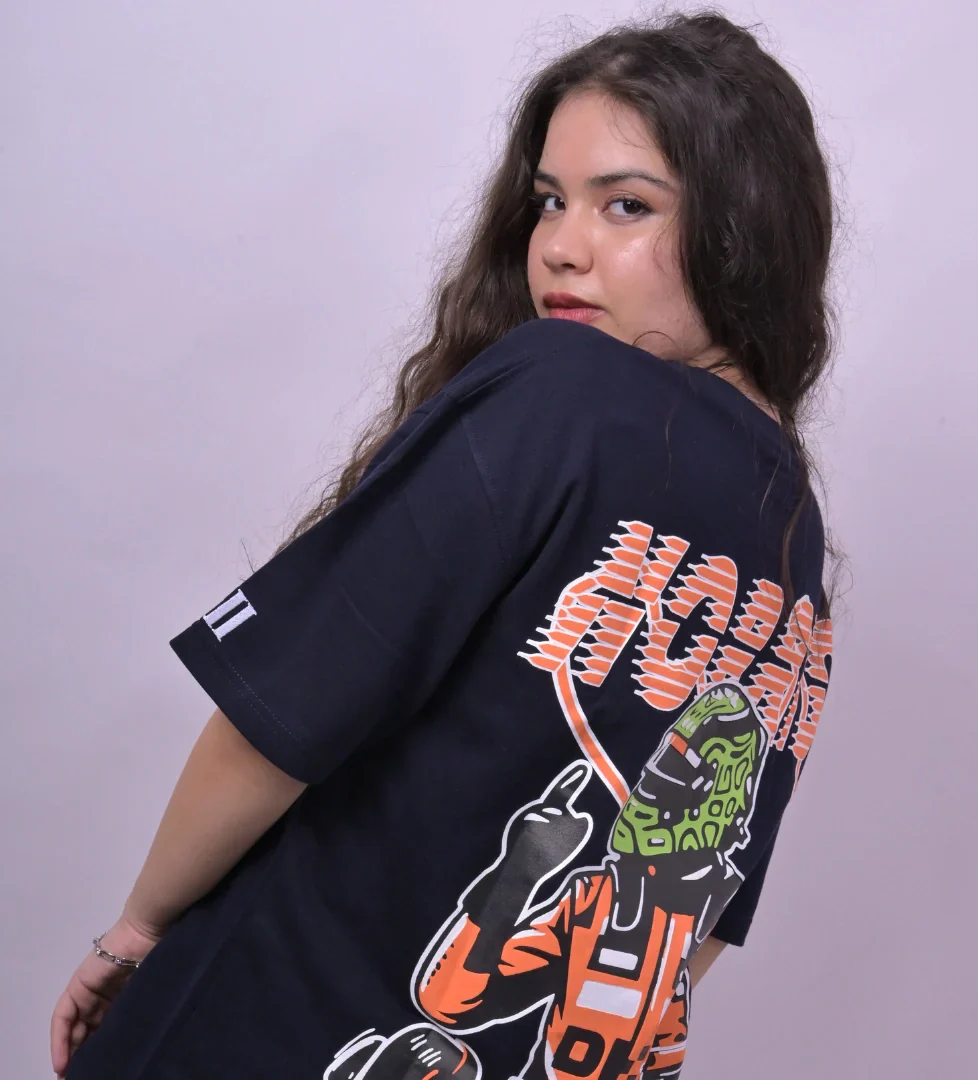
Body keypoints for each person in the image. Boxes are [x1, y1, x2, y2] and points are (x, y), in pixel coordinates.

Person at [50, 10, 840, 1080]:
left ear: (745, 229)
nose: (560, 245)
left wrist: (134, 930)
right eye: (550, 201)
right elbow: (692, 940)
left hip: (260, 1020)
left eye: (627, 205)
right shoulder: (791, 537)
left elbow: (282, 717)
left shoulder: (565, 388)